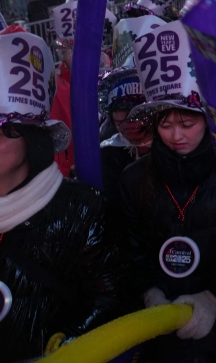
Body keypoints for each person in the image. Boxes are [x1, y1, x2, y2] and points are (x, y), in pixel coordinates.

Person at [119, 20, 216, 362]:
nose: (176, 136)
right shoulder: (133, 179)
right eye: (165, 125)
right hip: (159, 331)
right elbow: (129, 252)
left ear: (209, 118)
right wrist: (149, 293)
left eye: (187, 124)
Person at [1, 27, 132, 360]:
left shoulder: (85, 210)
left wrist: (68, 344)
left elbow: (113, 298)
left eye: (5, 129)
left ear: (31, 137)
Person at [99, 67, 151, 203]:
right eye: (120, 109)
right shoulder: (104, 154)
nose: (130, 118)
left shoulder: (173, 149)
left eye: (138, 108)